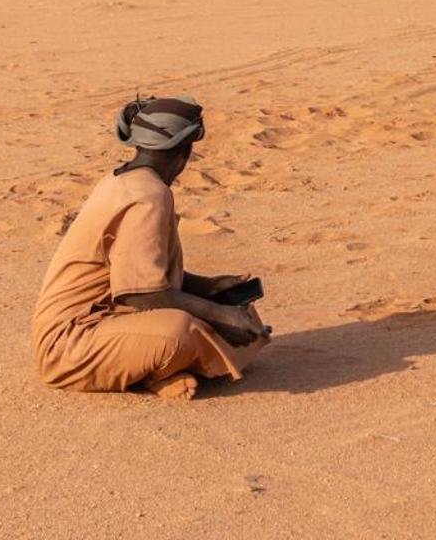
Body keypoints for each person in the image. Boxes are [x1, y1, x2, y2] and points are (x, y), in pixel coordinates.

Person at [31, 95, 268, 400]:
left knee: (241, 315)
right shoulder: (150, 195)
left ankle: (145, 366)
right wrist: (218, 314)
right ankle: (151, 373)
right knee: (182, 331)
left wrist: (208, 286)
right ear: (185, 153)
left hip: (107, 320)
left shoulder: (124, 179)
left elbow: (137, 273)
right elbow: (140, 294)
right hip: (69, 345)